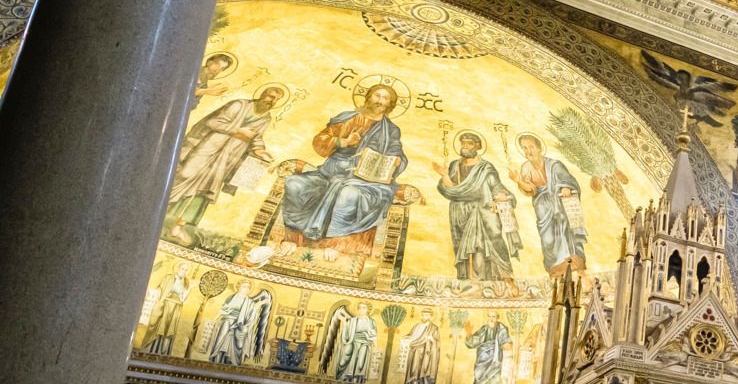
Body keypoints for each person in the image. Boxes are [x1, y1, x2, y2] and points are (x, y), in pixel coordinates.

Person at [273, 83, 407, 268]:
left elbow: (397, 154)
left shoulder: (391, 130)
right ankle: (293, 239)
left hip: (366, 180)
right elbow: (320, 140)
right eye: (377, 96)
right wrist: (343, 142)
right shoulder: (346, 118)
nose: (380, 101)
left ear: (390, 104)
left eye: (385, 98)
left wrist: (397, 160)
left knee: (349, 193)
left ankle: (337, 244)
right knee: (295, 184)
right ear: (368, 97)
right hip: (330, 172)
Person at [165, 85, 284, 244]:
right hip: (210, 146)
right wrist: (239, 131)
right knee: (184, 175)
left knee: (204, 191)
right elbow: (213, 122)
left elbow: (256, 137)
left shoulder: (266, 118)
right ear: (262, 94)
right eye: (271, 97)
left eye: (276, 100)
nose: (272, 101)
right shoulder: (239, 105)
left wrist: (261, 151)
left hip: (229, 156)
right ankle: (160, 209)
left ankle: (179, 227)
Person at [435, 130, 521, 284]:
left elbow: (496, 186)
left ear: (478, 146)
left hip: (483, 210)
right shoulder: (455, 165)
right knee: (467, 247)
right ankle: (472, 282)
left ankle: (506, 278)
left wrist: (501, 195)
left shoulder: (486, 168)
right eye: (463, 143)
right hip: (460, 211)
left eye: (469, 143)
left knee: (492, 240)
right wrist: (445, 177)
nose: (465, 146)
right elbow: (451, 188)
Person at [513, 134, 587, 277]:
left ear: (539, 148)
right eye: (524, 148)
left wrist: (566, 188)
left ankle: (578, 270)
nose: (528, 151)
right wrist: (518, 180)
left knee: (567, 234)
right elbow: (531, 190)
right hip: (542, 207)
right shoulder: (526, 168)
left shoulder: (555, 165)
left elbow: (569, 182)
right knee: (548, 240)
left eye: (531, 147)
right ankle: (556, 272)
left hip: (561, 204)